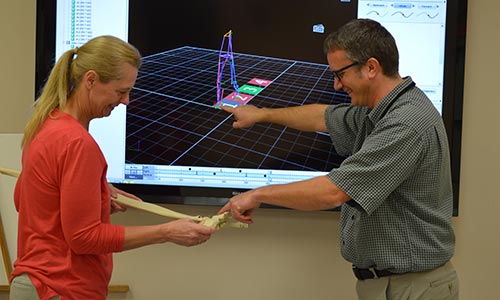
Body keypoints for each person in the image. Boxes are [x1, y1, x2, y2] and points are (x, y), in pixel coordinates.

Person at [218, 19, 458, 300]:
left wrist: (257, 195)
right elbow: (323, 116)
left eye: (340, 74)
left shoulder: (404, 123)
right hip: (393, 285)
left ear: (371, 67)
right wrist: (262, 114)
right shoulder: (382, 109)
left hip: (412, 288)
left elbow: (334, 191)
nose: (335, 85)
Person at [10, 35, 215, 300]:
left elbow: (24, 200)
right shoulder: (77, 143)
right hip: (61, 288)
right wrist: (166, 232)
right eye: (121, 91)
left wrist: (96, 195)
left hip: (34, 284)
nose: (126, 101)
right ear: (91, 80)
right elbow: (83, 238)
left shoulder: (45, 126)